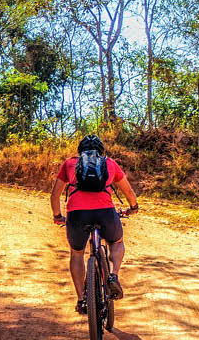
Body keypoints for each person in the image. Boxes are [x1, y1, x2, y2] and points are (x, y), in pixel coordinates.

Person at [50, 135, 139, 315]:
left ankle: (82, 300)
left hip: (77, 215)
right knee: (117, 241)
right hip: (105, 213)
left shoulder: (69, 164)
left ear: (79, 150)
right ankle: (113, 275)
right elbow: (128, 190)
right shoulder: (109, 163)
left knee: (77, 254)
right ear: (101, 150)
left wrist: (58, 216)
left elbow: (55, 194)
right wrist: (133, 207)